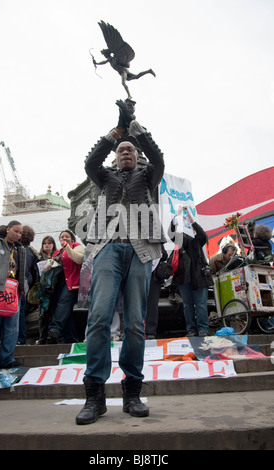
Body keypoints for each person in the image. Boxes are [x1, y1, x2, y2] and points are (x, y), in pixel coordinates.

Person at [75, 99, 165, 425]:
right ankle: (95, 395)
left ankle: (132, 392)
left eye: (131, 150)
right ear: (115, 157)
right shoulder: (106, 179)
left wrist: (136, 129)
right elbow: (90, 163)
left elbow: (158, 157)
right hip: (107, 249)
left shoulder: (148, 177)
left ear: (137, 156)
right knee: (98, 318)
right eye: (121, 150)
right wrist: (115, 132)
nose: (126, 152)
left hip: (140, 251)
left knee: (134, 325)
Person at [0, 221, 26, 373]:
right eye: (16, 231)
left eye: (20, 233)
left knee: (12, 328)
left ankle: (7, 359)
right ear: (8, 229)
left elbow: (23, 271)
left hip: (14, 291)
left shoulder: (20, 248)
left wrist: (24, 287)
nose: (18, 235)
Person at [169, 210, 213, 337]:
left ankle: (203, 329)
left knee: (200, 304)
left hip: (200, 277)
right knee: (188, 305)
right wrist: (177, 217)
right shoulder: (181, 240)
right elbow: (171, 232)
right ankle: (191, 329)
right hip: (184, 277)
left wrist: (192, 221)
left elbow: (203, 235)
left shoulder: (198, 241)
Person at [47, 230, 84, 344]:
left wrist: (67, 247)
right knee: (65, 310)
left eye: (67, 237)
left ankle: (54, 329)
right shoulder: (57, 252)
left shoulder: (76, 246)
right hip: (59, 283)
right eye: (62, 237)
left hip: (71, 282)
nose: (64, 238)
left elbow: (78, 259)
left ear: (72, 239)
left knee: (63, 304)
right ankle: (71, 338)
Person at [18, 225, 40, 345]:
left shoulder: (22, 251)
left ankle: (20, 338)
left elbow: (23, 272)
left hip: (23, 288)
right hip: (30, 288)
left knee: (20, 312)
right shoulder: (32, 251)